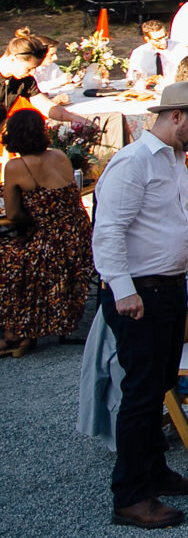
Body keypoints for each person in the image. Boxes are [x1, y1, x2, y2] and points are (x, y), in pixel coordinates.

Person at [90, 81, 188, 527]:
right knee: (142, 393)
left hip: (168, 288)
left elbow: (187, 218)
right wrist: (123, 290)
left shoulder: (175, 162)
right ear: (175, 116)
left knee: (161, 382)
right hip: (139, 294)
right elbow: (108, 230)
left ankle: (155, 471)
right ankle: (129, 494)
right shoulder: (132, 164)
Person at [0, 108, 94, 354]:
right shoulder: (60, 155)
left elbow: (13, 215)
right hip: (79, 238)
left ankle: (15, 332)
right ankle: (22, 330)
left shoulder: (16, 166)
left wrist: (31, 215)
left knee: (6, 257)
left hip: (53, 245)